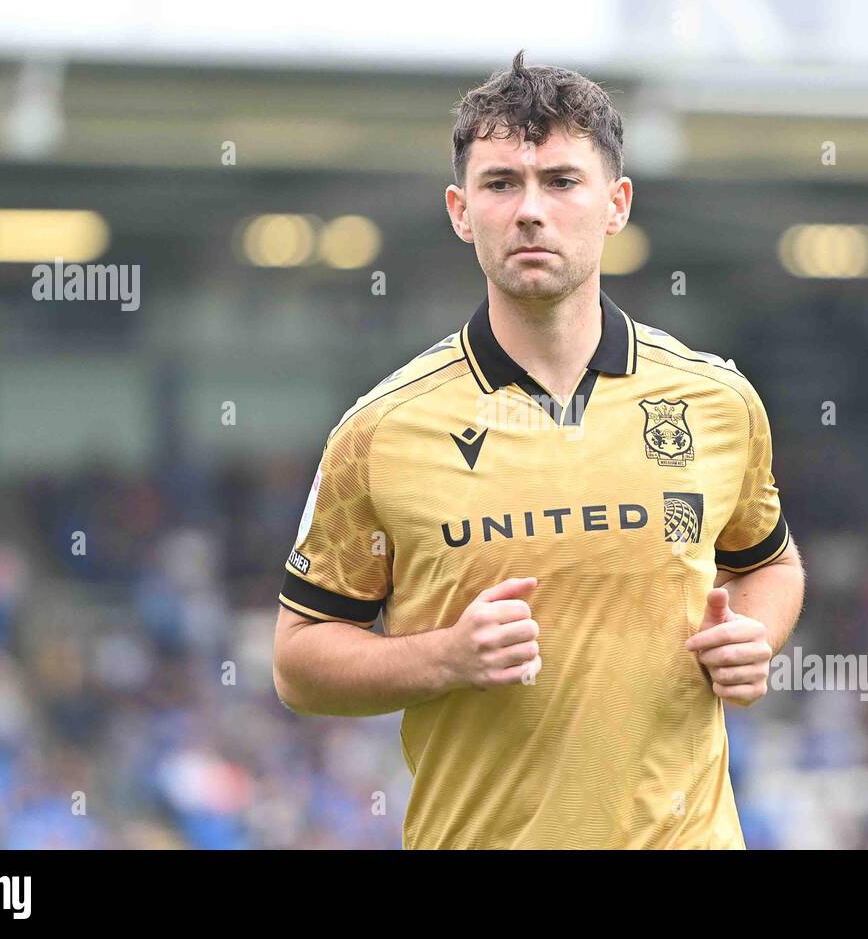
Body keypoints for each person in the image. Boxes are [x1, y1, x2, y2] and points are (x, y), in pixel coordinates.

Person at [273, 50, 805, 849]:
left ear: (617, 203)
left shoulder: (719, 401)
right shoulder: (380, 432)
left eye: (561, 182)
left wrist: (755, 638)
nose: (531, 211)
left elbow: (771, 563)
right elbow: (299, 664)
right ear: (460, 210)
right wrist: (443, 658)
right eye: (501, 184)